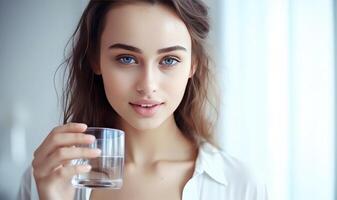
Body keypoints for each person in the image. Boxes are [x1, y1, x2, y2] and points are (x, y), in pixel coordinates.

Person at [18, 0, 267, 199]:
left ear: (193, 65)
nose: (148, 85)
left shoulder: (240, 185)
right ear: (96, 59)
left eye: (169, 60)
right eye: (126, 58)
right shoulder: (47, 178)